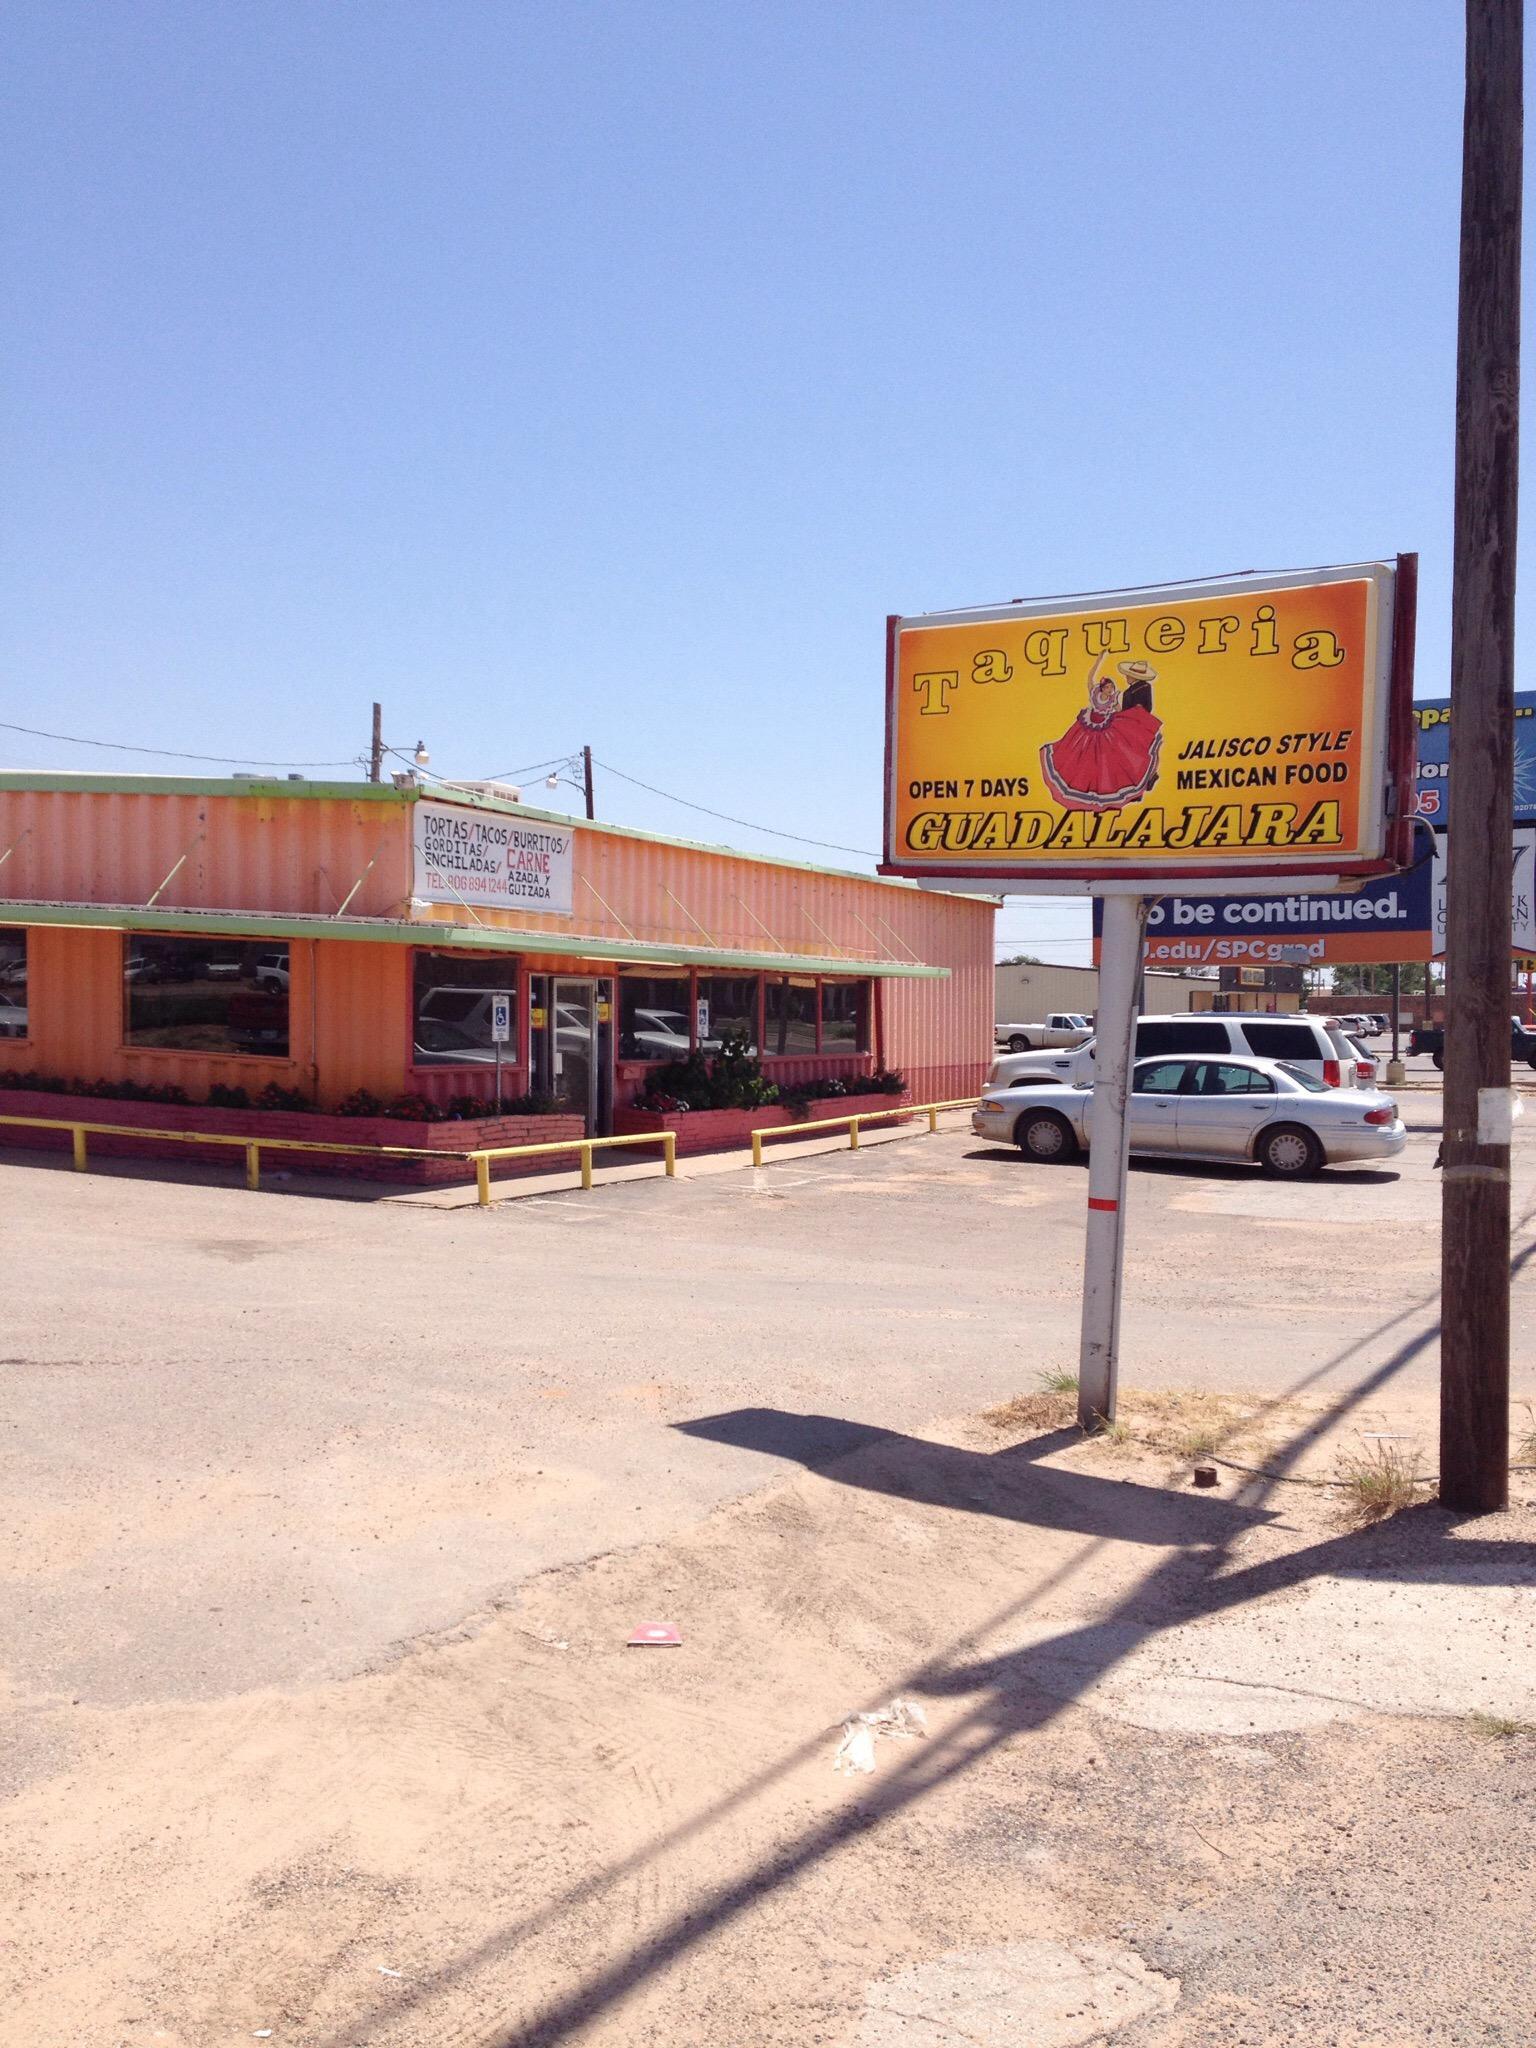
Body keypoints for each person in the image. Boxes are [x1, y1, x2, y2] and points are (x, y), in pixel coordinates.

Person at [1039, 657, 1163, 811]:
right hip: (1090, 728)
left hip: (1124, 726)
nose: (1126, 678)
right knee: (1083, 755)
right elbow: (1090, 679)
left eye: (1112, 687)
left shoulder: (1139, 689)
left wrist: (1127, 719)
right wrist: (1098, 661)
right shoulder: (1100, 694)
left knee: (1122, 755)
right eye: (1108, 687)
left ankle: (1140, 783)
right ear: (1102, 688)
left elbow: (1127, 710)